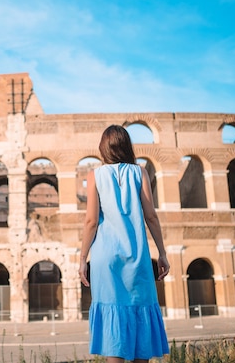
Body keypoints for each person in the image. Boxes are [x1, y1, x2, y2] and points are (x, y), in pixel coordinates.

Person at [79, 125, 170, 363]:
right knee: (142, 321)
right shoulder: (140, 173)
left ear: (103, 148)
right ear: (127, 146)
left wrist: (82, 259)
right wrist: (162, 253)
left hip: (105, 260)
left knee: (113, 329)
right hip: (137, 256)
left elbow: (90, 221)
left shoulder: (95, 176)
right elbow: (151, 216)